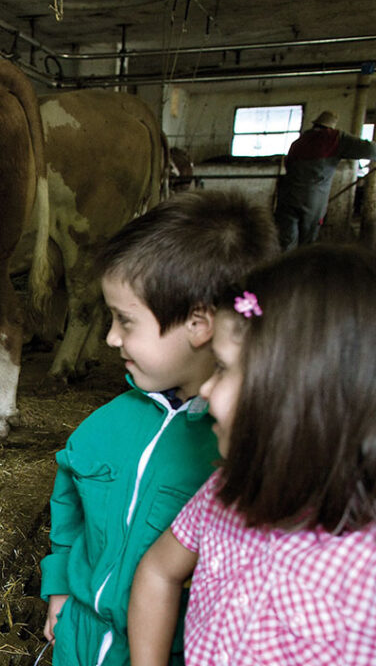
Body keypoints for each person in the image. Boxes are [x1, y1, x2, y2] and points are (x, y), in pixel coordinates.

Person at [39, 190, 278, 666]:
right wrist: (60, 588)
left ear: (198, 323)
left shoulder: (237, 451)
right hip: (78, 635)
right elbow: (69, 502)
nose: (110, 338)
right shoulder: (106, 423)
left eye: (125, 321)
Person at [128, 244, 376, 665]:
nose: (204, 389)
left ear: (290, 391)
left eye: (222, 369)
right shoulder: (225, 491)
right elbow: (158, 570)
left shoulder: (364, 574)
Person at [272, 110, 376, 250]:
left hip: (287, 196)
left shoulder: (299, 141)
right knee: (307, 242)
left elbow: (288, 165)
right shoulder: (333, 138)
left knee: (286, 240)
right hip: (312, 199)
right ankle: (304, 268)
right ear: (330, 127)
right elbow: (369, 150)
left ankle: (284, 267)